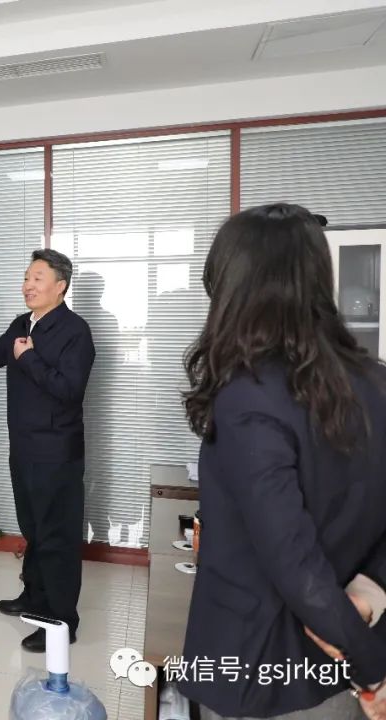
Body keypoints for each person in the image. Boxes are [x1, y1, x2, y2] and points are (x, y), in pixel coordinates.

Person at [179, 203, 386, 719]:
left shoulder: (249, 396)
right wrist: (371, 589)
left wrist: (374, 669)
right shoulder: (376, 381)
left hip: (258, 670)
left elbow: (294, 563)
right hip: (336, 668)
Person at [0, 248, 95, 652]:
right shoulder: (22, 323)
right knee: (34, 529)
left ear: (60, 286)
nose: (28, 285)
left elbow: (69, 390)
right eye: (26, 277)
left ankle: (62, 622)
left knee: (57, 537)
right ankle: (33, 596)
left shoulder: (75, 331)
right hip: (23, 448)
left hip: (57, 453)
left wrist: (27, 357)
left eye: (37, 278)